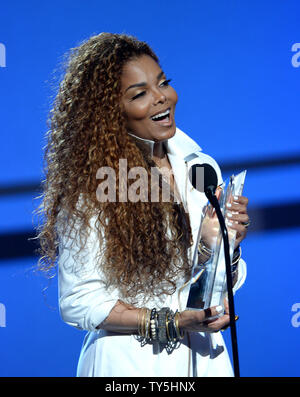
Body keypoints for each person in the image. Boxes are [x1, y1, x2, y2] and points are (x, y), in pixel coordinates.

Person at [36, 32, 249, 377]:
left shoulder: (201, 167)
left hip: (206, 362)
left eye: (163, 83)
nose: (161, 98)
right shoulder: (92, 189)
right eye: (140, 94)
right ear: (109, 112)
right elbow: (79, 302)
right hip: (129, 365)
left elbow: (209, 286)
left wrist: (223, 248)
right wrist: (173, 323)